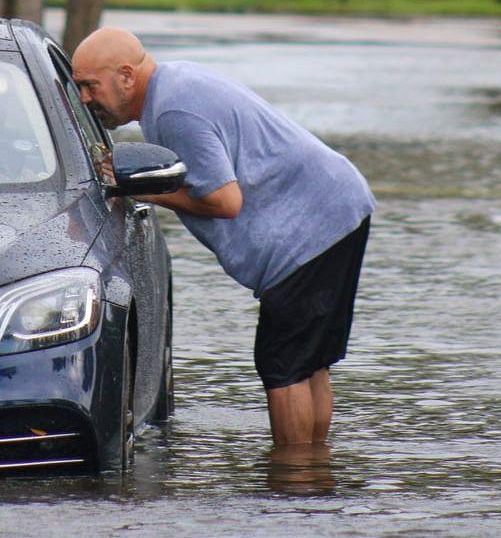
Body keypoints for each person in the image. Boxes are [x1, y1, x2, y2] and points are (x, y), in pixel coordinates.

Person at [71, 27, 374, 448]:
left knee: (282, 363)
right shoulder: (176, 84)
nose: (85, 98)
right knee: (309, 364)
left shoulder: (174, 111)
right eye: (79, 87)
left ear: (126, 75)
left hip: (313, 225)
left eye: (90, 85)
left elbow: (225, 201)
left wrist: (140, 189)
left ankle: (293, 483)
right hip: (337, 207)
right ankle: (313, 479)